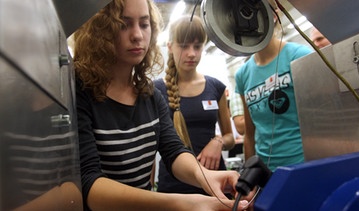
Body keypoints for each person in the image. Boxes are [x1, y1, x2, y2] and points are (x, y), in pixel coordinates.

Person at [73, 0, 250, 210]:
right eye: (123, 24)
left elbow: (173, 150)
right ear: (100, 29)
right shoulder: (80, 92)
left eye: (144, 24)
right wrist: (181, 203)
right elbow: (89, 186)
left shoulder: (150, 95)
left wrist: (206, 177)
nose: (137, 35)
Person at [154, 15, 235, 195]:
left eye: (197, 46)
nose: (192, 53)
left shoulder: (216, 87)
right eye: (184, 46)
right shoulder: (156, 91)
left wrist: (218, 141)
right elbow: (149, 147)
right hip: (174, 186)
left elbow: (229, 136)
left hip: (214, 183)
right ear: (170, 47)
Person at [234, 0, 313, 172]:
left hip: (302, 166)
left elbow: (322, 120)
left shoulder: (300, 56)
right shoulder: (242, 75)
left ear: (274, 14)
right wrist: (250, 176)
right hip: (265, 173)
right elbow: (249, 133)